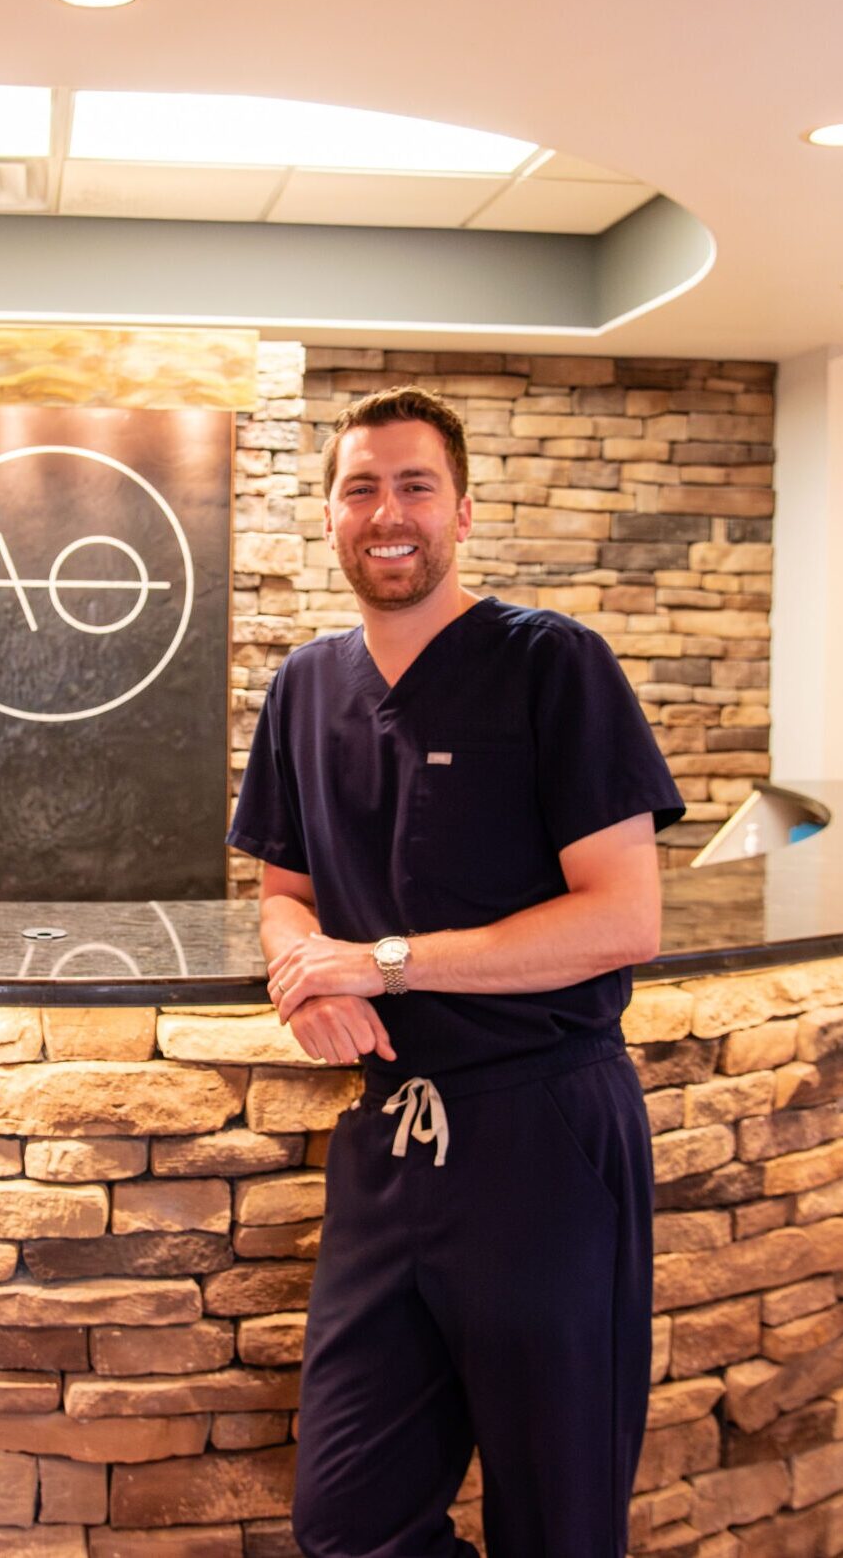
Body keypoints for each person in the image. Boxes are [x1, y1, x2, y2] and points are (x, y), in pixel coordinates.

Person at [228, 386, 684, 1558]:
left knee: (558, 1520)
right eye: (361, 487)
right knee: (348, 1518)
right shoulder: (305, 686)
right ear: (329, 514)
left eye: (414, 485)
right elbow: (281, 894)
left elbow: (623, 916)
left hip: (541, 1131)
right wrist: (304, 975)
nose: (388, 512)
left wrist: (376, 962)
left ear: (464, 510)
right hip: (388, 1143)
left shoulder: (552, 665)